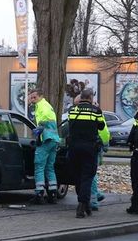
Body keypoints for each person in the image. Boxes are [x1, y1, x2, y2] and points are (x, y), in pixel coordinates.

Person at [65, 88, 110, 218]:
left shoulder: (73, 110)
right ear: (90, 97)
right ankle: (82, 205)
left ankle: (85, 204)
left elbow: (70, 125)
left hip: (74, 148)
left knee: (78, 177)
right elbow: (101, 127)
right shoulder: (96, 111)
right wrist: (98, 110)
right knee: (87, 177)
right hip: (89, 148)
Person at [27, 88, 60, 204]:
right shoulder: (47, 105)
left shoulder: (42, 106)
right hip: (54, 140)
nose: (32, 100)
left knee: (39, 166)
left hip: (46, 139)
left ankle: (39, 193)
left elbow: (44, 118)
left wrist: (40, 127)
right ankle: (53, 193)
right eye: (31, 97)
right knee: (50, 167)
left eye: (34, 97)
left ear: (41, 96)